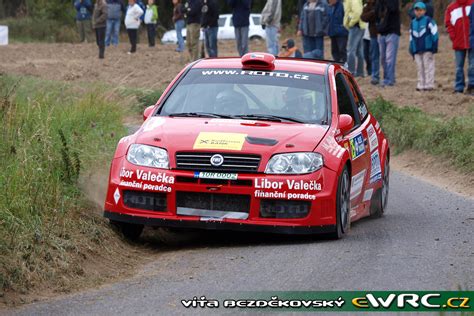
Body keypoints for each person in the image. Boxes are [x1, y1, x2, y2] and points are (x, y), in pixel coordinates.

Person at [446, 0, 474, 94]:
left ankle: (472, 86)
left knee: (472, 65)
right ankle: (459, 87)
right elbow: (448, 24)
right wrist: (453, 37)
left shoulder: (472, 4)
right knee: (459, 67)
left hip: (472, 42)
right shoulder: (451, 8)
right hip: (458, 42)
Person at [409, 2, 438, 91]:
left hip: (427, 48)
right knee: (419, 67)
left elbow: (435, 33)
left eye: (420, 10)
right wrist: (411, 49)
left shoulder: (429, 20)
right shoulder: (412, 23)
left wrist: (434, 45)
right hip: (417, 49)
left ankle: (429, 85)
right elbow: (411, 37)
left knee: (428, 66)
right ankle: (421, 84)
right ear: (414, 11)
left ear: (424, 11)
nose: (418, 12)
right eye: (416, 10)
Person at [376, 0, 401, 86]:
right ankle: (386, 77)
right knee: (383, 58)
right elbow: (376, 14)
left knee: (390, 58)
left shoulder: (393, 2)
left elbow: (393, 8)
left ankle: (390, 79)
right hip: (382, 32)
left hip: (392, 32)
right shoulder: (379, 3)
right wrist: (378, 27)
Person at [344, 0, 367, 77]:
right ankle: (360, 72)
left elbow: (357, 13)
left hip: (355, 26)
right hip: (359, 26)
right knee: (359, 51)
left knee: (351, 50)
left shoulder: (353, 0)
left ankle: (351, 72)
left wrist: (350, 23)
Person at [361, 0, 380, 84]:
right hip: (367, 34)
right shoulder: (366, 6)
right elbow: (363, 17)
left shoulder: (379, 4)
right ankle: (370, 72)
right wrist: (372, 12)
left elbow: (377, 16)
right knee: (366, 55)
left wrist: (370, 14)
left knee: (374, 55)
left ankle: (375, 75)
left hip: (376, 34)